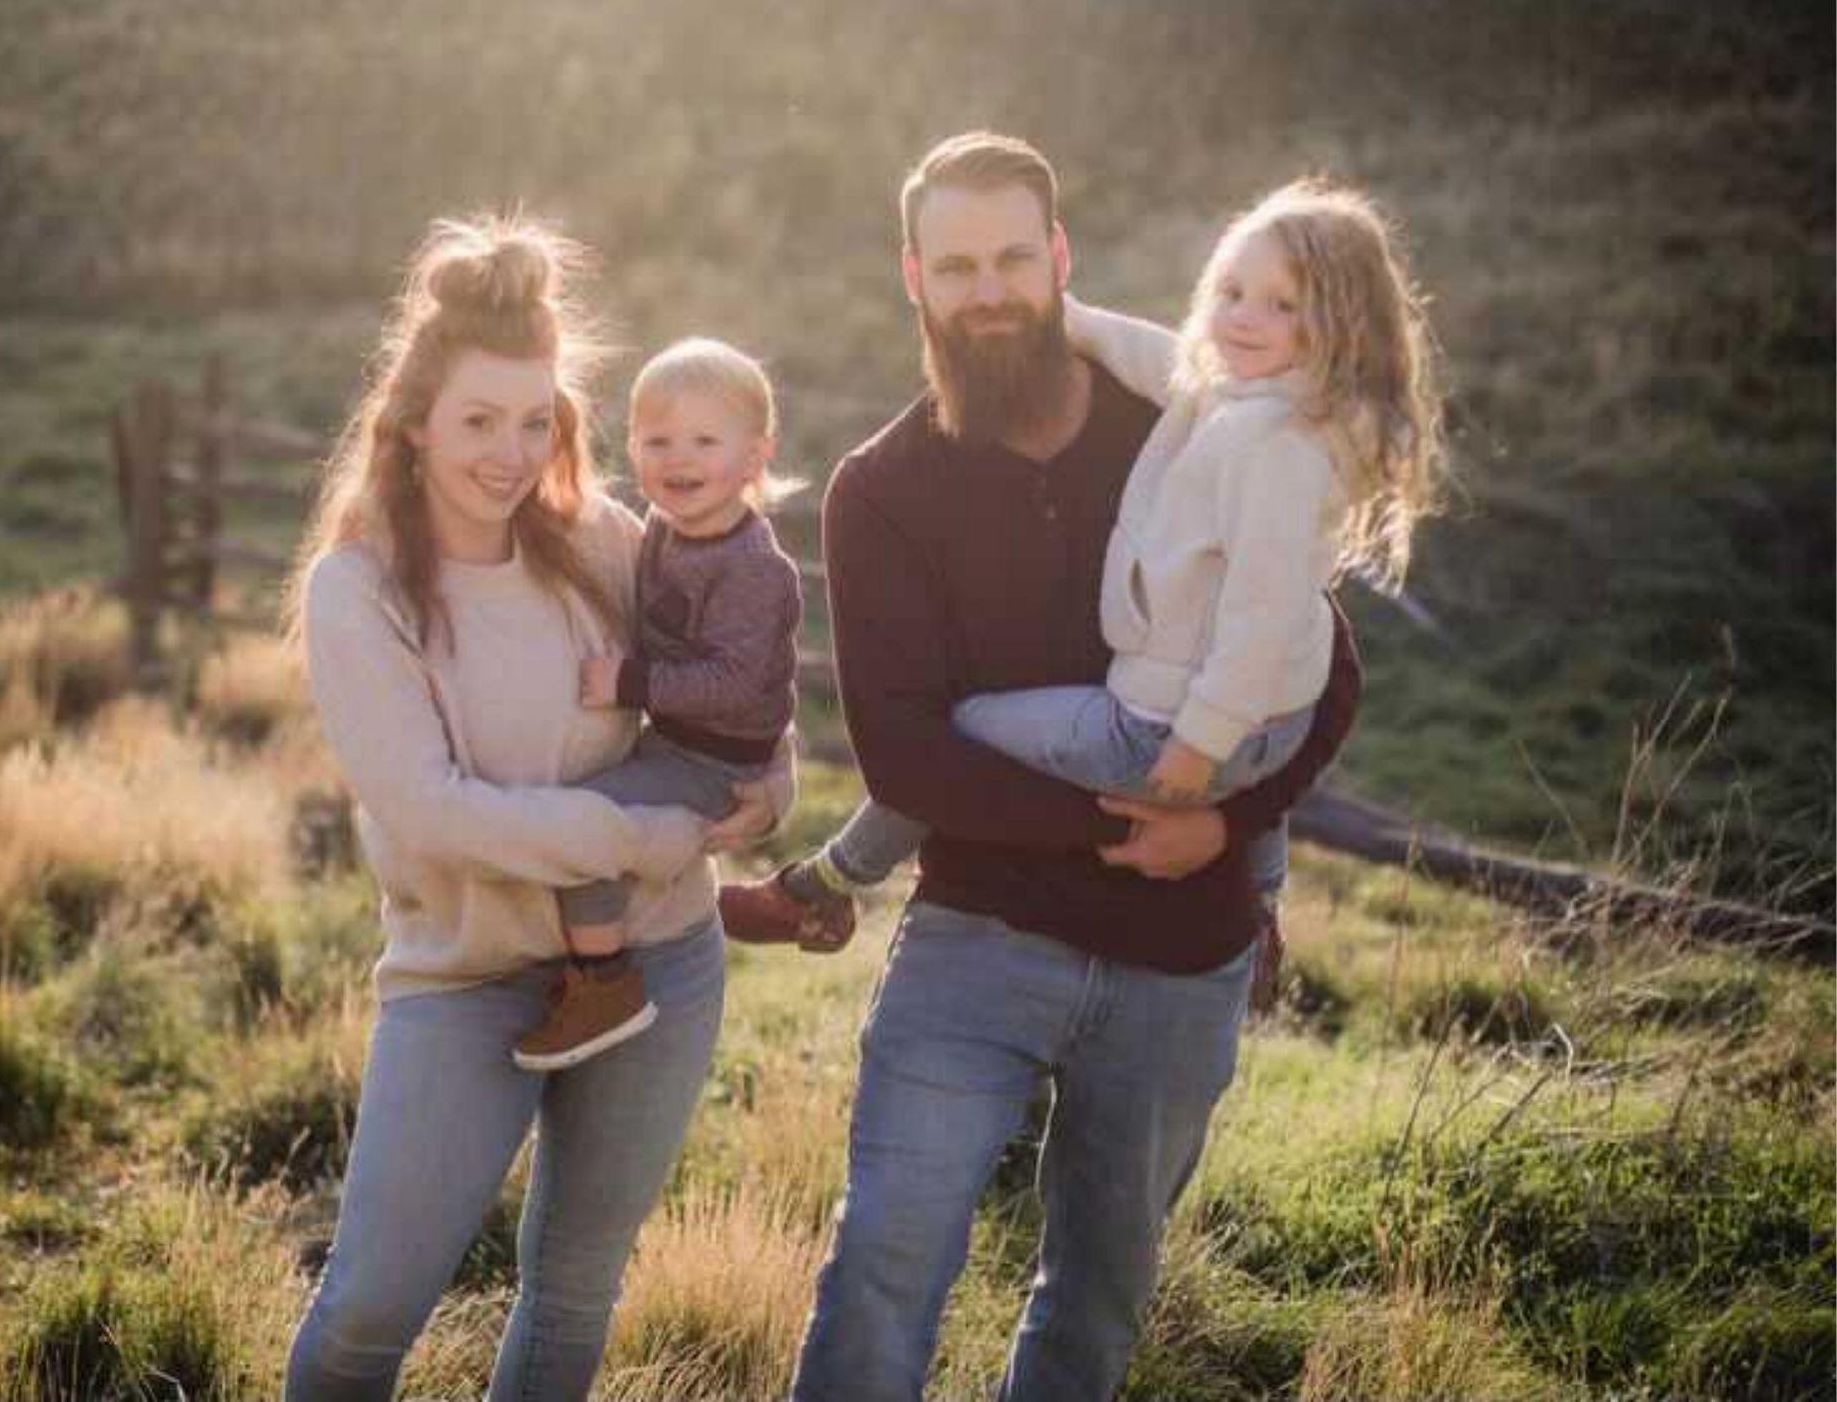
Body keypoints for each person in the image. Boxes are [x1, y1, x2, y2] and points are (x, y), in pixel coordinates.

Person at [762, 132, 1369, 1402]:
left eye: (1009, 260)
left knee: (1095, 1304)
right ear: (912, 279)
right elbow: (905, 748)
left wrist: (1225, 823)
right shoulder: (880, 489)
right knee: (880, 1269)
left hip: (1175, 959)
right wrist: (1124, 828)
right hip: (977, 941)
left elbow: (1321, 659)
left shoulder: (1189, 415)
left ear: (1056, 261)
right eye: (954, 265)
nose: (986, 291)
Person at [280, 214, 789, 1402]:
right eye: (476, 422)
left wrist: (767, 787)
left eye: (532, 420)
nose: (509, 455)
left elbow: (741, 676)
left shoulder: (599, 538)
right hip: (468, 975)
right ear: (411, 422)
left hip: (661, 960)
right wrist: (650, 835)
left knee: (570, 1295)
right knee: (367, 1308)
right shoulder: (359, 591)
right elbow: (430, 811)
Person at [727, 177, 1442, 992]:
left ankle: (829, 884)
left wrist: (1197, 754)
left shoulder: (1273, 452)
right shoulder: (1263, 403)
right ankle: (1264, 911)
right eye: (1235, 291)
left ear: (1340, 326)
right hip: (1272, 711)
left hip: (1171, 726)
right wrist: (1052, 313)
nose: (1245, 316)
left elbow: (1262, 618)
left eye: (1283, 306)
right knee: (1248, 740)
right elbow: (1166, 362)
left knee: (967, 727)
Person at [512, 337, 818, 1072]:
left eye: (705, 441)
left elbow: (737, 683)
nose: (677, 459)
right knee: (590, 814)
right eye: (656, 440)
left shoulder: (752, 569)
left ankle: (603, 984)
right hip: (674, 740)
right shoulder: (659, 530)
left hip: (714, 759)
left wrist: (631, 684)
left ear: (755, 457)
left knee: (586, 832)